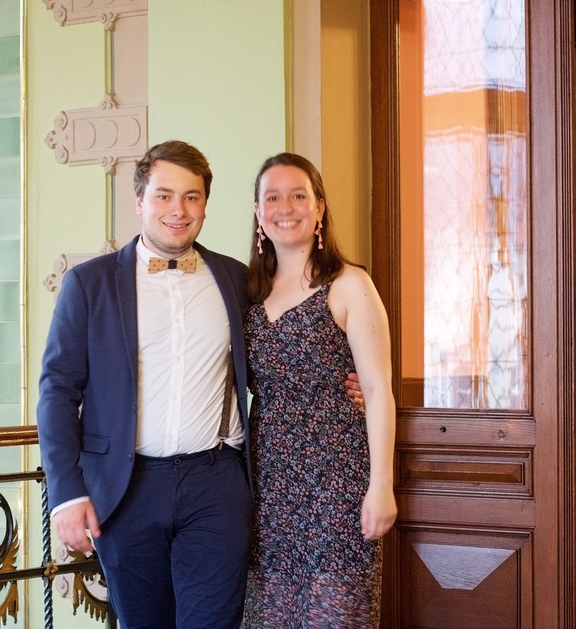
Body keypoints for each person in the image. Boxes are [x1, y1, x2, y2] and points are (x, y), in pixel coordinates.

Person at [37, 140, 254, 628]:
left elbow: (274, 359)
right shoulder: (88, 284)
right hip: (126, 488)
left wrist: (348, 383)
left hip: (216, 484)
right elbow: (57, 392)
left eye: (192, 197)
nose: (179, 210)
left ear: (205, 205)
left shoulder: (236, 279)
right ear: (139, 201)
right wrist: (66, 492)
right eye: (164, 195)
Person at [242, 153, 397, 627]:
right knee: (270, 617)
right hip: (268, 488)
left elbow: (378, 389)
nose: (285, 207)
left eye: (298, 195)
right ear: (258, 212)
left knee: (335, 615)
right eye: (272, 198)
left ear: (320, 207)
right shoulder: (247, 290)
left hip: (338, 483)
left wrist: (381, 485)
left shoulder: (349, 284)